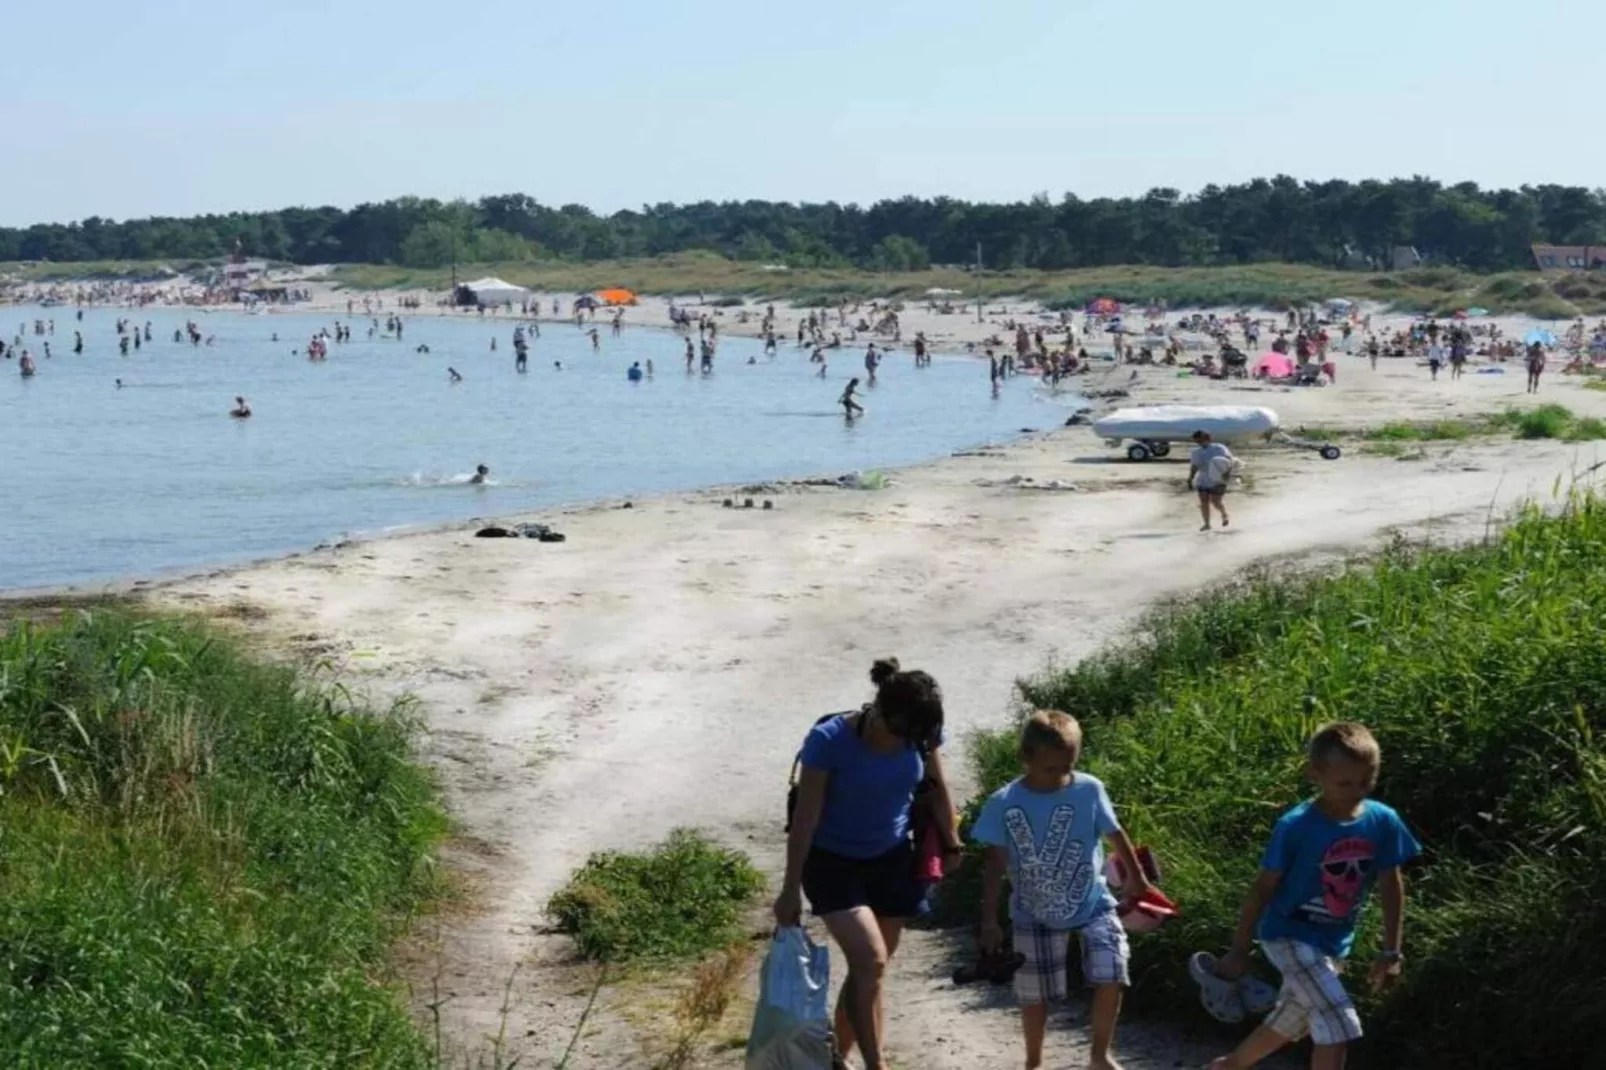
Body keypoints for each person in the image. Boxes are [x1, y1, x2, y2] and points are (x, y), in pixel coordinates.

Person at [775, 660, 961, 1070]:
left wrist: (951, 843)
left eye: (913, 737)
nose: (903, 744)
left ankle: (836, 1058)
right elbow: (805, 817)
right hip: (832, 865)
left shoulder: (920, 736)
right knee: (871, 961)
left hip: (892, 859)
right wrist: (789, 888)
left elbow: (936, 789)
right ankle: (877, 1066)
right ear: (878, 709)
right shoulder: (828, 740)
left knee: (870, 970)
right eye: (899, 733)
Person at [1205, 723, 1420, 1070]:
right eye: (1345, 783)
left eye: (1366, 781)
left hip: (1332, 942)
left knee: (1297, 1018)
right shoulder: (1296, 826)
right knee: (1337, 1022)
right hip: (1288, 934)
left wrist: (1391, 950)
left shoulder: (1383, 821)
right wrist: (1238, 950)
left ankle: (1228, 1066)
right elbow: (1262, 889)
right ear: (1315, 774)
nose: (1356, 791)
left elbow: (1391, 886)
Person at [973, 711, 1153, 1070]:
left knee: (1113, 971)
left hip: (1093, 901)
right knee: (1034, 994)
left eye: (1067, 767)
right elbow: (994, 865)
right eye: (1050, 769)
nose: (1059, 778)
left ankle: (1100, 1056)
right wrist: (989, 919)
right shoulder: (1004, 802)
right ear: (1026, 758)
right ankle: (1034, 1061)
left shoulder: (1088, 789)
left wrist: (1137, 879)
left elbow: (1115, 834)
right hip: (1032, 910)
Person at [1188, 430, 1234, 531]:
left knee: (1215, 501)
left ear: (1208, 438)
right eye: (1197, 441)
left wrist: (1227, 473)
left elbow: (1229, 460)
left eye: (1201, 440)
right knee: (1204, 501)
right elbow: (1194, 466)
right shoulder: (1196, 452)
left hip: (1218, 477)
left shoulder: (1219, 448)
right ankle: (1207, 524)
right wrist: (1190, 478)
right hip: (1203, 479)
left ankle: (1224, 514)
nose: (1199, 443)